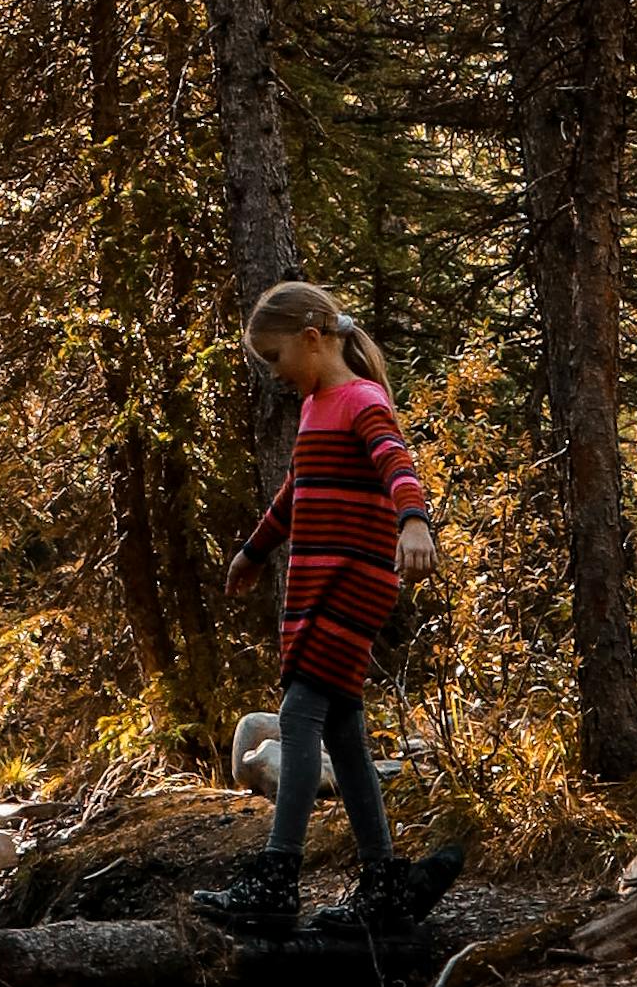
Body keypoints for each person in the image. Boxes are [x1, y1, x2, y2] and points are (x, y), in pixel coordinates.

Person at [192, 280, 463, 944]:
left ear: (312, 339)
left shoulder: (360, 400)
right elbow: (298, 489)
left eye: (278, 358)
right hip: (318, 581)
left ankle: (277, 876)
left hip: (352, 581)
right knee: (343, 734)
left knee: (296, 716)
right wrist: (254, 551)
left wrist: (414, 524)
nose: (277, 375)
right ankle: (384, 884)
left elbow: (397, 465)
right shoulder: (316, 407)